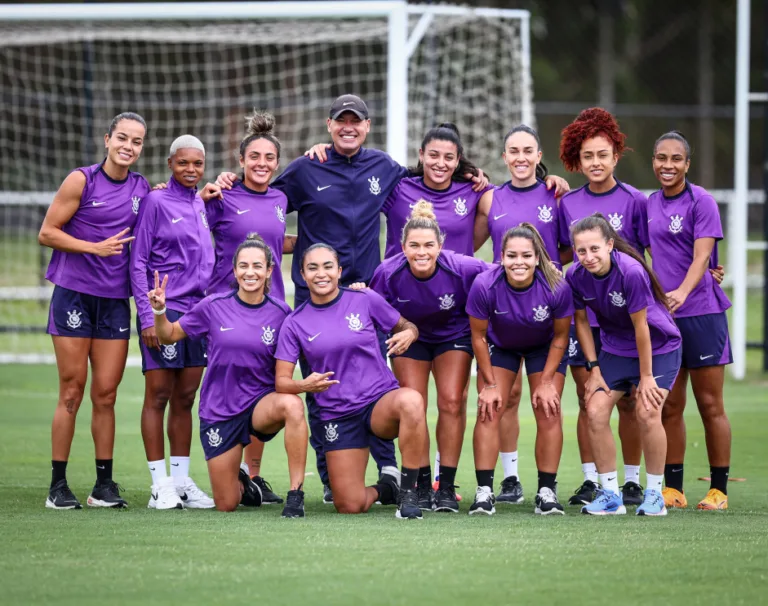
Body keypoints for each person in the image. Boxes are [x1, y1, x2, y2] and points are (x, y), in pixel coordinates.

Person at [148, 235, 308, 517]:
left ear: (269, 270)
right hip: (220, 409)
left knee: (292, 405)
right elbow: (169, 335)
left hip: (260, 405)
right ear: (234, 271)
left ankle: (296, 493)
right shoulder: (213, 305)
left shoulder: (282, 312)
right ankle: (243, 483)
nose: (250, 272)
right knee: (226, 503)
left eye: (257, 266)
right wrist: (160, 310)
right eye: (243, 266)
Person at [40, 112, 150, 509]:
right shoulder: (81, 179)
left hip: (115, 303)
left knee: (106, 394)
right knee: (72, 391)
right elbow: (47, 232)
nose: (128, 146)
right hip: (74, 296)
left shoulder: (142, 189)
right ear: (107, 139)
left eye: (136, 141)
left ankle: (103, 485)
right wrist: (95, 247)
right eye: (122, 137)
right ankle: (58, 486)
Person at [274, 243, 428, 520]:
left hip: (379, 403)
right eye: (313, 268)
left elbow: (407, 326)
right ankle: (386, 489)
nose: (321, 274)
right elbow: (281, 382)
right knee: (349, 504)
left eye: (328, 266)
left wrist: (410, 334)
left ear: (339, 271)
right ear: (303, 275)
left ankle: (408, 492)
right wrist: (304, 385)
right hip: (338, 415)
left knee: (412, 400)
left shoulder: (364, 298)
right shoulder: (295, 322)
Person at [363, 201, 491, 513]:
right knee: (414, 405)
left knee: (450, 401)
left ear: (441, 246)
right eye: (414, 246)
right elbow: (370, 309)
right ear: (402, 246)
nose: (422, 252)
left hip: (453, 335)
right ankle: (419, 483)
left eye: (429, 246)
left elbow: (500, 274)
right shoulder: (388, 272)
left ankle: (445, 486)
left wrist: (545, 270)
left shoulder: (462, 266)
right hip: (410, 339)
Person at [473, 124, 572, 504]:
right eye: (513, 150)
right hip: (502, 314)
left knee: (547, 403)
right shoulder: (489, 199)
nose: (520, 157)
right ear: (503, 157)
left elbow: (568, 248)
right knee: (502, 400)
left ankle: (548, 489)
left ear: (538, 154)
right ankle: (508, 481)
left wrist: (542, 272)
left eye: (528, 150)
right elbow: (470, 243)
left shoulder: (556, 196)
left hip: (546, 312)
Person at [202, 111, 295, 505]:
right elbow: (194, 228)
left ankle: (252, 476)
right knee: (229, 386)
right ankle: (230, 469)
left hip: (271, 309)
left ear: (277, 163)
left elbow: (277, 242)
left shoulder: (280, 198)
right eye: (253, 157)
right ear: (240, 161)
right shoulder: (221, 194)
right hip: (227, 311)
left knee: (266, 386)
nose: (261, 164)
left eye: (268, 158)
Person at [557, 108, 648, 506]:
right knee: (587, 395)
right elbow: (563, 255)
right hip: (584, 317)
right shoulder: (567, 202)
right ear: (579, 159)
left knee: (628, 399)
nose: (595, 163)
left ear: (616, 155)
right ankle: (594, 479)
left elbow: (647, 256)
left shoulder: (635, 201)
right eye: (588, 156)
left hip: (623, 319)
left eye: (603, 155)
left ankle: (630, 480)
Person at [566, 214, 682, 516]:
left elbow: (642, 328)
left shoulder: (630, 271)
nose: (588, 257)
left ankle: (655, 495)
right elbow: (580, 322)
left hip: (657, 347)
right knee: (594, 410)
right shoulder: (575, 276)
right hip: (615, 349)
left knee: (647, 411)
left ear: (609, 245)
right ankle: (610, 495)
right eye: (581, 251)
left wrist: (646, 377)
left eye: (594, 249)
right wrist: (594, 369)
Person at [647, 131, 732, 510]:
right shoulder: (648, 204)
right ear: (653, 161)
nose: (668, 166)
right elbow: (636, 252)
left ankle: (719, 490)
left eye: (676, 159)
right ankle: (673, 488)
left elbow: (702, 257)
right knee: (670, 405)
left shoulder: (703, 202)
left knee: (710, 404)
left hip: (701, 314)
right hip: (665, 319)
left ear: (687, 164)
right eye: (661, 158)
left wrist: (682, 291)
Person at [130, 135, 214, 510]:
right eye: (183, 163)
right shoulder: (155, 201)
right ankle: (158, 485)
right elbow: (137, 261)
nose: (191, 169)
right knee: (159, 396)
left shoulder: (200, 203)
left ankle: (180, 482)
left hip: (199, 314)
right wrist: (148, 315)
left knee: (185, 398)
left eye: (197, 163)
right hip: (165, 309)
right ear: (170, 164)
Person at [466, 223, 572, 515]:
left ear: (538, 257)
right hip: (502, 347)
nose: (519, 262)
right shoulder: (484, 284)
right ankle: (484, 491)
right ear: (501, 257)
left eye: (526, 256)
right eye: (512, 256)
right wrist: (488, 385)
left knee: (548, 407)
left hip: (545, 347)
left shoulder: (556, 286)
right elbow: (478, 336)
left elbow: (562, 336)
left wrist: (548, 381)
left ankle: (546, 492)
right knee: (488, 408)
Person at [381, 123, 493, 258]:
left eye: (449, 158)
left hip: (456, 279)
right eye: (434, 155)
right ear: (421, 155)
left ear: (457, 160)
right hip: (400, 279)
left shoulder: (474, 189)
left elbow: (512, 201)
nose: (440, 164)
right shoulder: (397, 189)